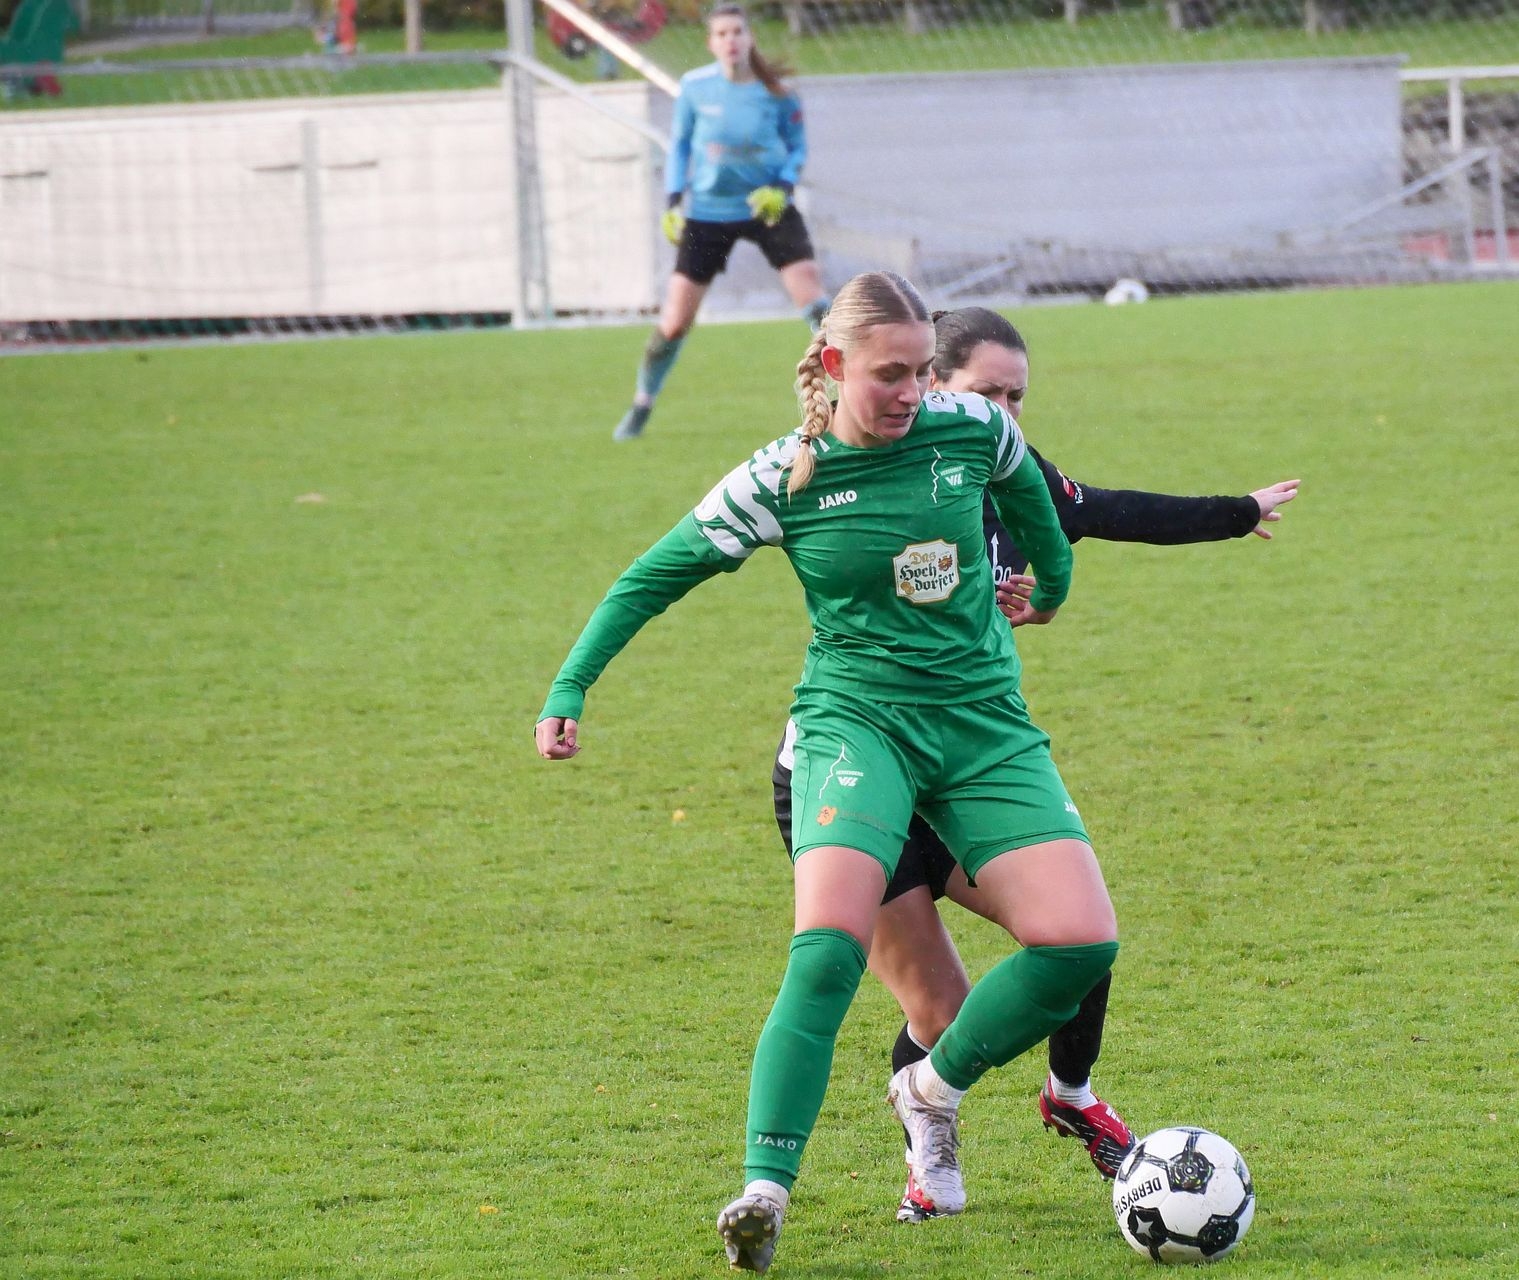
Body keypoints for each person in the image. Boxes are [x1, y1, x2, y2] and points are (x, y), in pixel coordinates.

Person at [538, 272, 1122, 1274]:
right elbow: (651, 577)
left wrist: (1053, 589)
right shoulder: (782, 476)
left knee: (1081, 942)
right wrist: (570, 686)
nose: (912, 393)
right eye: (890, 374)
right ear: (835, 365)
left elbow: (1034, 502)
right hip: (857, 729)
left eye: (922, 372)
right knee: (826, 951)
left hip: (982, 726)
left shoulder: (972, 431)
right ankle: (764, 1191)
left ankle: (930, 1087)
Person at [768, 305, 1300, 1221]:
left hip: (967, 765)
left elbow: (1107, 510)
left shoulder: (1009, 468)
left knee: (1075, 931)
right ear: (932, 382)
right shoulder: (877, 471)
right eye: (989, 391)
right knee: (938, 1011)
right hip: (864, 773)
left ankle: (1071, 1092)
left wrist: (1234, 513)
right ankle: (926, 1150)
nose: (1007, 411)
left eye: (1018, 395)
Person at [614, 3, 830, 442]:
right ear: (711, 43)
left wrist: (782, 188)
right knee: (675, 322)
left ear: (750, 38)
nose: (731, 40)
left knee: (816, 304)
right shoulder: (695, 89)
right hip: (709, 212)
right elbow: (679, 147)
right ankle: (642, 403)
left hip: (766, 207)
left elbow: (797, 148)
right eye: (722, 34)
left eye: (737, 32)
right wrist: (673, 200)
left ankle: (846, 390)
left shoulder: (778, 92)